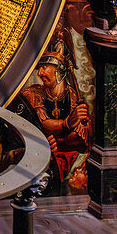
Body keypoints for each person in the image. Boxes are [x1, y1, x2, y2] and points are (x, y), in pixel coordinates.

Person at [13, 38, 92, 194]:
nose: (40, 73)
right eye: (39, 68)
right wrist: (66, 124)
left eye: (45, 67)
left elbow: (81, 141)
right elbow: (43, 123)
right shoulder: (33, 94)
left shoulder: (74, 99)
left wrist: (60, 141)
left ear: (59, 70)